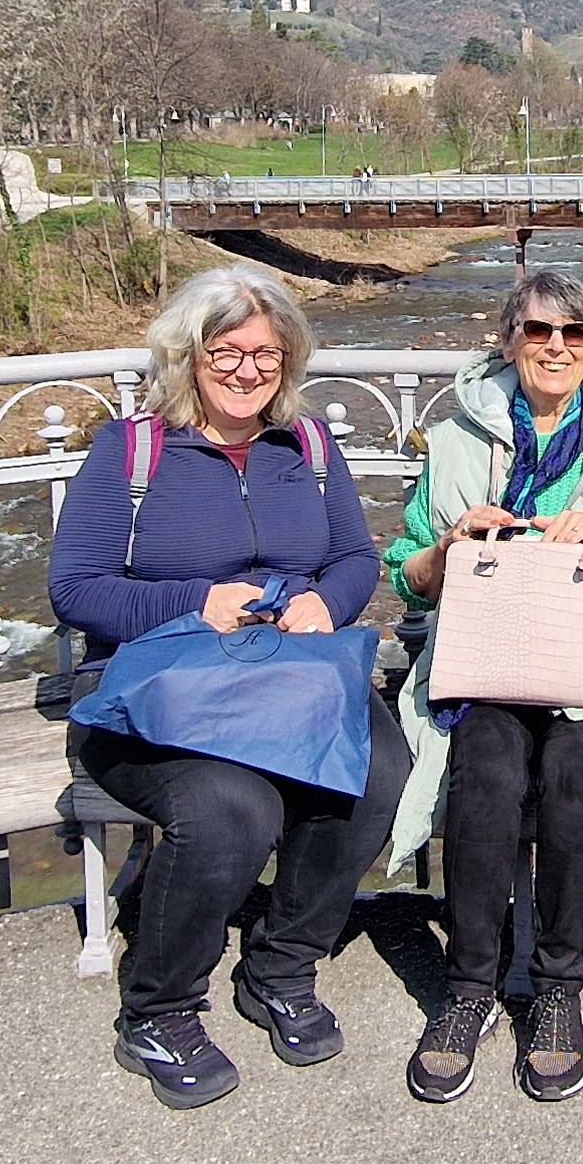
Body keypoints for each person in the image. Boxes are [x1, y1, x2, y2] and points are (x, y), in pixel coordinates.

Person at [48, 264, 410, 1110]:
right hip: (160, 687)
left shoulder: (306, 447)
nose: (249, 371)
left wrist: (327, 602)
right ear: (189, 355)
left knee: (377, 771)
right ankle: (158, 1008)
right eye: (228, 353)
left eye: (267, 355)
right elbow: (75, 588)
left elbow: (353, 558)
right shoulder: (131, 451)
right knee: (229, 808)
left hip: (285, 671)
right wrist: (194, 603)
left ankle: (281, 965)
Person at [375, 269, 583, 1105]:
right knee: (486, 767)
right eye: (538, 330)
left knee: (577, 768)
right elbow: (405, 577)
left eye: (574, 333)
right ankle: (469, 987)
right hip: (487, 662)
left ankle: (557, 988)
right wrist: (451, 546)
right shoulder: (455, 438)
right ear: (509, 340)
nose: (556, 347)